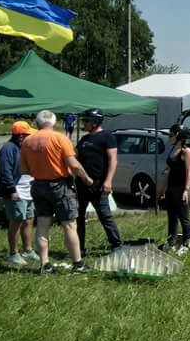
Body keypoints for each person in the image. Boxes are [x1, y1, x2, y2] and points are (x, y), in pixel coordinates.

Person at [20, 110, 95, 273]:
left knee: (42, 224)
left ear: (37, 123)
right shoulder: (61, 138)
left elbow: (24, 169)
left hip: (38, 185)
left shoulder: (27, 142)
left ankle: (45, 264)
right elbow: (73, 164)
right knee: (69, 224)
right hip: (60, 185)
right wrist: (87, 179)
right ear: (54, 123)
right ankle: (78, 264)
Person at [74, 108, 122, 256]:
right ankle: (79, 248)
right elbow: (74, 157)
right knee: (78, 217)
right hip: (81, 184)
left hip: (99, 184)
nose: (84, 123)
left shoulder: (107, 137)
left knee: (105, 216)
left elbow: (113, 160)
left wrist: (108, 181)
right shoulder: (84, 139)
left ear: (95, 122)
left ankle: (116, 245)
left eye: (86, 121)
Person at [0, 120, 37, 265]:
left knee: (29, 219)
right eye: (28, 135)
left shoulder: (25, 147)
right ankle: (13, 253)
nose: (30, 137)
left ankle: (28, 250)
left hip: (29, 189)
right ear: (21, 136)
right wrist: (11, 189)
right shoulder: (8, 148)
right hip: (16, 190)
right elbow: (5, 171)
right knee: (17, 220)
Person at [161, 127, 190, 251]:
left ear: (179, 136)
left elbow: (189, 172)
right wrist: (164, 188)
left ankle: (187, 244)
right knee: (172, 216)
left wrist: (186, 189)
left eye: (171, 135)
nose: (169, 137)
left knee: (184, 217)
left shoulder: (187, 152)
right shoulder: (173, 149)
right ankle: (171, 242)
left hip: (181, 188)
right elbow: (168, 170)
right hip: (171, 188)